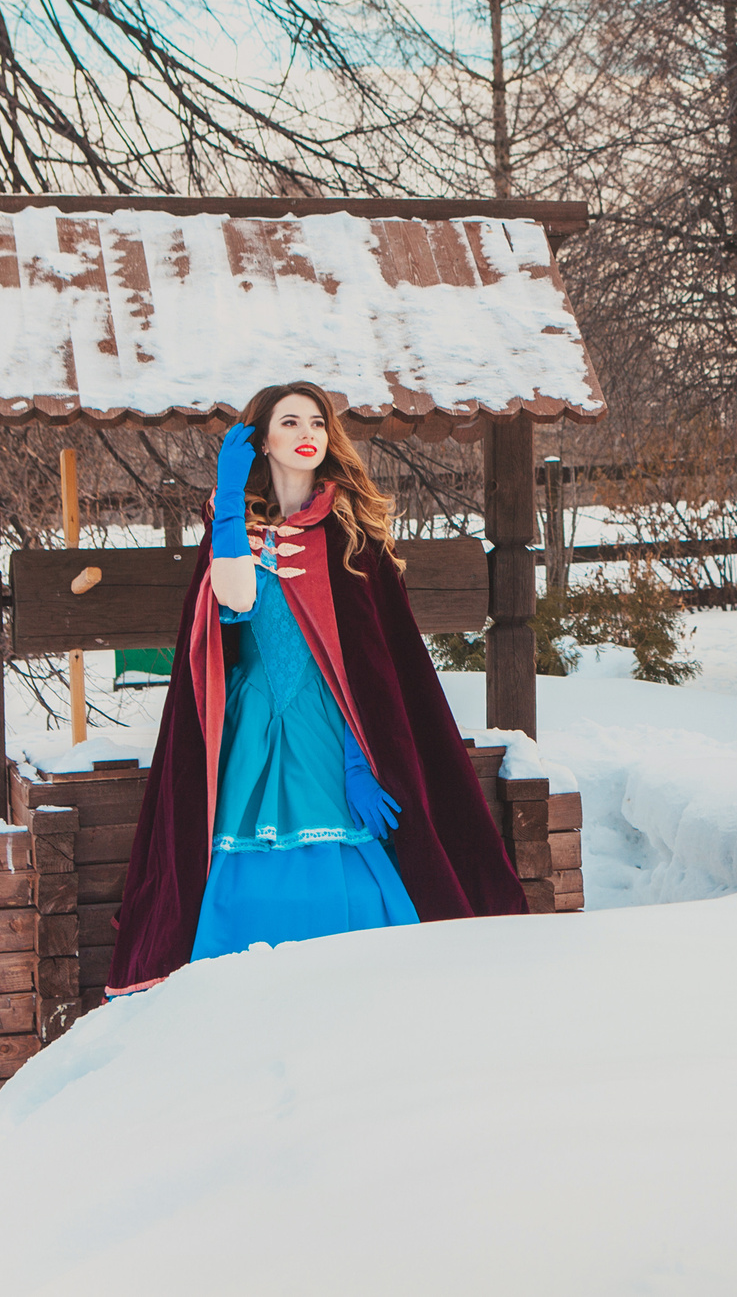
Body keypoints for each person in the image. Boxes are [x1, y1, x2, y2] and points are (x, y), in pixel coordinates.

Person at [107, 382, 527, 995]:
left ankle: (364, 994)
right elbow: (236, 600)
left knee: (350, 875)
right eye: (290, 422)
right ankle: (237, 1000)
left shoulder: (353, 534)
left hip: (333, 730)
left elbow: (377, 668)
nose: (308, 435)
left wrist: (362, 760)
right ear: (261, 438)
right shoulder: (234, 528)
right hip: (249, 727)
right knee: (241, 868)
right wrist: (228, 500)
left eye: (317, 424)